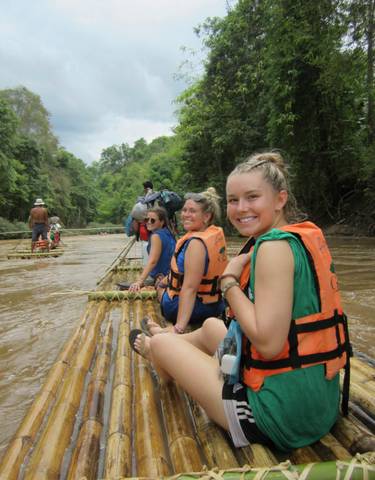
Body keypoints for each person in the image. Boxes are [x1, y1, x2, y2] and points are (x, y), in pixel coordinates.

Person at [129, 152, 351, 452]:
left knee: (164, 346)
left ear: (280, 199)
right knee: (210, 325)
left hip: (278, 416)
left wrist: (229, 281)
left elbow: (270, 345)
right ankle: (164, 343)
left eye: (252, 197)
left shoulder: (272, 249)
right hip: (319, 405)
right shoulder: (296, 238)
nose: (240, 208)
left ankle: (159, 351)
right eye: (233, 200)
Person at [141, 187, 228, 335]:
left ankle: (171, 329)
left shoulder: (196, 243)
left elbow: (189, 288)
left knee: (161, 288)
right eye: (184, 210)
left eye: (192, 211)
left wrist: (178, 328)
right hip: (216, 304)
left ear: (206, 216)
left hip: (197, 308)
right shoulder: (211, 235)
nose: (185, 215)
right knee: (164, 283)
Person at [119, 207, 176, 291]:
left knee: (122, 286)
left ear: (162, 222)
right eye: (146, 220)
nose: (148, 222)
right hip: (171, 276)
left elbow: (153, 261)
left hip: (162, 277)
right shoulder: (169, 233)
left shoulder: (156, 236)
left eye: (152, 220)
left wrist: (139, 281)